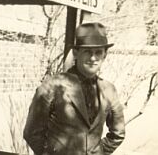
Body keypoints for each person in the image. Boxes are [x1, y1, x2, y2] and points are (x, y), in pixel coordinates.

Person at [23, 22, 125, 155]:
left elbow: (118, 134)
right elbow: (32, 132)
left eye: (98, 52)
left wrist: (99, 152)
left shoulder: (109, 90)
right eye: (87, 52)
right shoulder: (53, 86)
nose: (93, 58)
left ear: (104, 55)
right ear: (76, 53)